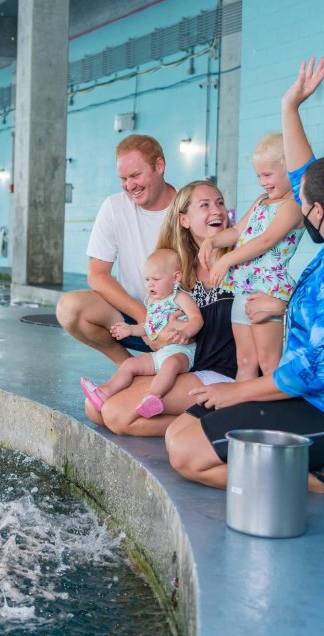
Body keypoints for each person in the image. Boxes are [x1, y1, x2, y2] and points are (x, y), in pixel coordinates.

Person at [165, 57, 324, 498]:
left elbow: (311, 371)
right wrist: (290, 108)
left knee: (186, 453)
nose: (299, 208)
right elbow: (308, 176)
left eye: (303, 204)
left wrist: (238, 394)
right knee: (182, 426)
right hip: (319, 395)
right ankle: (315, 470)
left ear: (318, 211)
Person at [87, 181, 252, 436]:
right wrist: (168, 331)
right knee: (94, 408)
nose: (217, 211)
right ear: (184, 220)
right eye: (205, 205)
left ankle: (220, 420)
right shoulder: (177, 271)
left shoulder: (240, 262)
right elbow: (157, 332)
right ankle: (197, 415)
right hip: (187, 364)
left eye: (219, 203)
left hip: (222, 373)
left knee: (117, 415)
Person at [56, 135, 178, 366]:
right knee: (70, 308)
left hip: (180, 320)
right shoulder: (114, 207)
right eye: (123, 178)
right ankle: (128, 368)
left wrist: (174, 321)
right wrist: (145, 318)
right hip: (135, 320)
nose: (129, 185)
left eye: (135, 175)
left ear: (159, 166)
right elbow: (98, 275)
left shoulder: (187, 205)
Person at [197, 133, 304, 380]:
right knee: (244, 360)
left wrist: (226, 259)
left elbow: (265, 241)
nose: (262, 182)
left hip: (267, 289)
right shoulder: (261, 201)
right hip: (243, 287)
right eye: (258, 176)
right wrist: (212, 241)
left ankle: (272, 413)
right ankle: (240, 411)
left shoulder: (292, 206)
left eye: (268, 175)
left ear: (289, 169)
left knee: (268, 363)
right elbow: (236, 231)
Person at [80, 249, 203, 419]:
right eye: (147, 279)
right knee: (129, 364)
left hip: (182, 351)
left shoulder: (180, 297)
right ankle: (104, 392)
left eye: (156, 279)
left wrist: (186, 331)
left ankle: (152, 397)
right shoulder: (152, 302)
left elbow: (197, 318)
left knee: (171, 365)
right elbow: (149, 327)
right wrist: (129, 330)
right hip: (159, 353)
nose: (150, 284)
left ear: (175, 278)